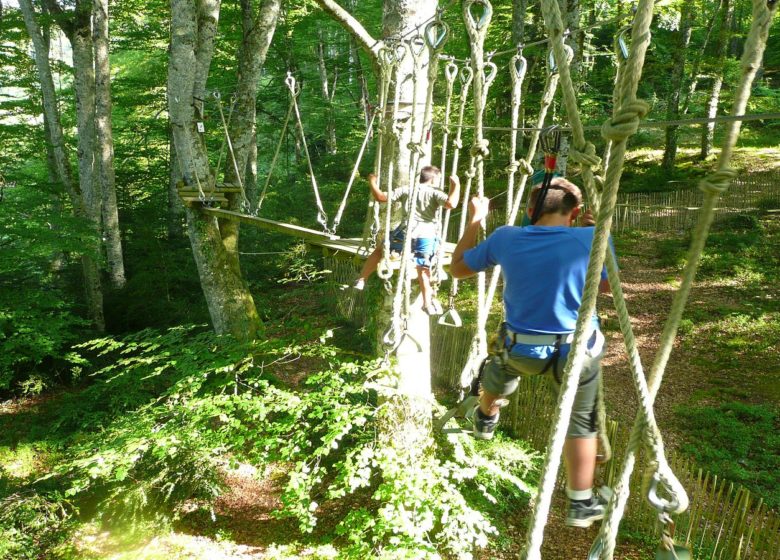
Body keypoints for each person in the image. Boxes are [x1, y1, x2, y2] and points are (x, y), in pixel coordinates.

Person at [450, 177, 612, 528]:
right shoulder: (594, 237)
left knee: (500, 366)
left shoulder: (507, 237)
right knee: (580, 421)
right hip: (576, 351)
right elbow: (605, 286)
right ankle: (580, 502)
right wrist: (590, 236)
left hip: (522, 349)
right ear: (576, 212)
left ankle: (486, 415)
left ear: (528, 211)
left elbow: (457, 267)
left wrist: (476, 218)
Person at [354, 166, 460, 315]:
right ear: (434, 178)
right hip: (426, 235)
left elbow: (381, 198)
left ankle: (361, 279)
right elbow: (451, 204)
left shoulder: (407, 189)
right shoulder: (435, 193)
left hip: (405, 232)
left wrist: (372, 182)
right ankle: (427, 303)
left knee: (380, 251)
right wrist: (456, 186)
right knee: (423, 268)